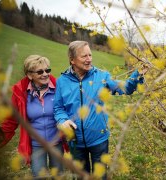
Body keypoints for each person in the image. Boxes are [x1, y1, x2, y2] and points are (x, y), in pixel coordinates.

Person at [53, 40, 148, 175]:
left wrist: (138, 74)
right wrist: (63, 120)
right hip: (75, 142)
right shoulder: (62, 81)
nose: (89, 59)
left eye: (90, 55)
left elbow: (125, 88)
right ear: (72, 60)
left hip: (99, 139)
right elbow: (58, 108)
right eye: (84, 56)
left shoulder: (102, 76)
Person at [0, 55, 66, 177]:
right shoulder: (21, 93)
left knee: (58, 176)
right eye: (40, 71)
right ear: (29, 75)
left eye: (47, 70)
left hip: (56, 142)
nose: (45, 74)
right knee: (39, 176)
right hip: (36, 144)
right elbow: (12, 120)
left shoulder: (58, 88)